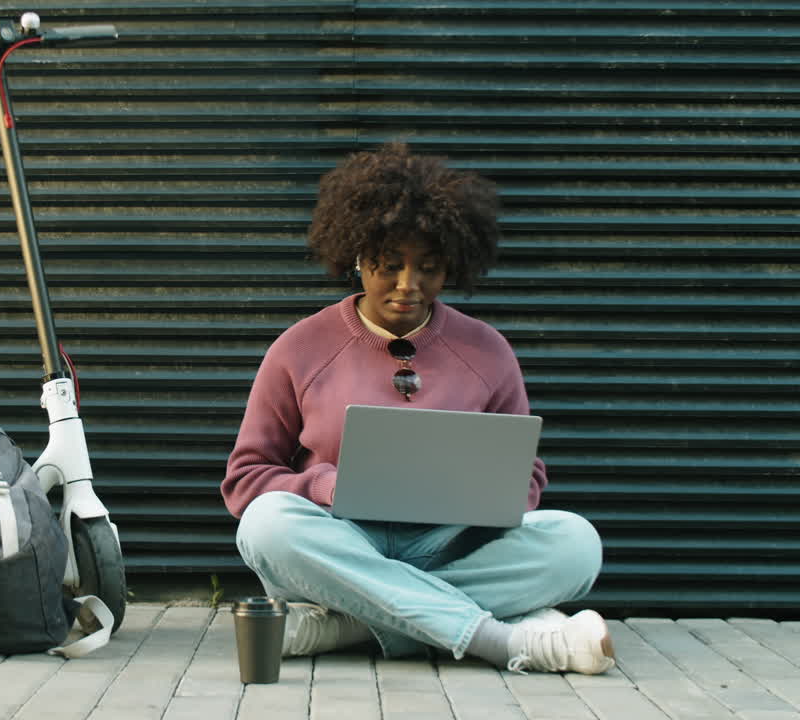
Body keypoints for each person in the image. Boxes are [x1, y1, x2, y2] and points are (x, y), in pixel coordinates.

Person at [221, 142, 614, 675]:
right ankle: (500, 640)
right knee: (267, 525)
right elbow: (246, 478)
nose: (408, 285)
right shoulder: (301, 347)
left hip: (448, 544)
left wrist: (483, 499)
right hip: (340, 544)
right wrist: (328, 486)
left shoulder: (487, 351)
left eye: (428, 268)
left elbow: (527, 476)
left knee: (576, 543)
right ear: (357, 257)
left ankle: (347, 625)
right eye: (389, 266)